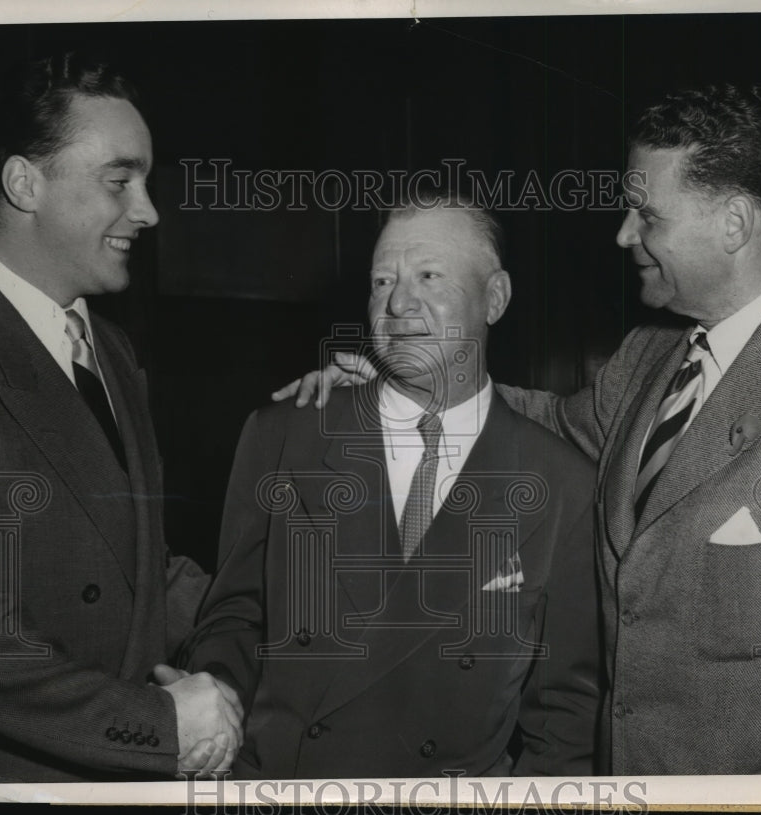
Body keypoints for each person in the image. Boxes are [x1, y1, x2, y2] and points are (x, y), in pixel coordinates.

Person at [277, 86, 761, 774]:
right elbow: (552, 422)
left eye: (646, 215)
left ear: (733, 223)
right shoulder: (652, 354)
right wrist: (405, 385)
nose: (623, 233)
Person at [181, 196, 601, 778]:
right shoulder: (285, 435)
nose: (399, 302)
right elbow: (233, 617)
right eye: (382, 280)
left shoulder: (562, 484)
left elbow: (565, 714)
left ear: (496, 298)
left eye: (428, 276)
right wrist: (215, 708)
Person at [0, 51, 241, 782]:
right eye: (118, 180)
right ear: (24, 182)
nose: (149, 210)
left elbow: (140, 567)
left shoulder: (111, 348)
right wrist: (160, 722)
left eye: (146, 181)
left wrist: (275, 617)